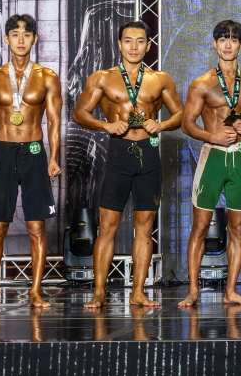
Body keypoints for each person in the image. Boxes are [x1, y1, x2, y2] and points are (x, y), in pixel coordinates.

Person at [74, 20, 183, 310]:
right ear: (119, 44)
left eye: (140, 41)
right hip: (118, 154)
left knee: (145, 227)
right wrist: (105, 125)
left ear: (148, 46)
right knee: (107, 226)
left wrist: (161, 125)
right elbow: (79, 113)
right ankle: (99, 293)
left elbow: (180, 114)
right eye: (128, 41)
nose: (134, 46)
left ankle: (138, 292)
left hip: (148, 154)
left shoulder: (160, 79)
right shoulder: (102, 78)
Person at [178, 20, 241, 308]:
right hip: (213, 158)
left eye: (233, 39)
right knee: (200, 227)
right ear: (215, 44)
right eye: (222, 39)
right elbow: (186, 123)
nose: (228, 44)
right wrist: (212, 136)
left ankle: (231, 291)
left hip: (240, 158)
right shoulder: (202, 83)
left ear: (240, 45)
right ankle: (193, 291)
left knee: (238, 229)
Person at [0, 15, 63, 311]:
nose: (21, 39)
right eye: (15, 34)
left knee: (36, 226)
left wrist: (54, 156)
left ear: (35, 39)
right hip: (2, 152)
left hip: (35, 152)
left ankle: (36, 291)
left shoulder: (47, 76)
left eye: (27, 34)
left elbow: (54, 121)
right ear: (6, 39)